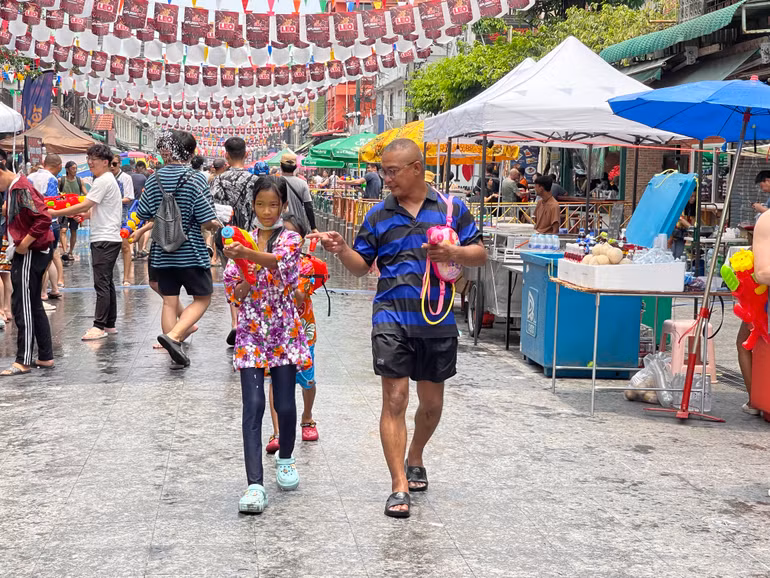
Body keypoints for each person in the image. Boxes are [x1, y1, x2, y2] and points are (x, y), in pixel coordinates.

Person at [309, 139, 487, 518]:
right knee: (394, 400)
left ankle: (416, 454)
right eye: (383, 171)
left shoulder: (452, 209)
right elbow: (361, 265)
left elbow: (480, 252)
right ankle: (398, 486)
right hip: (390, 316)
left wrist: (454, 253)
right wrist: (342, 249)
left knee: (432, 404)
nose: (384, 178)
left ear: (417, 168)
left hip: (437, 319)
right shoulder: (377, 215)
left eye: (392, 171)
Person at [222, 175, 311, 513]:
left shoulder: (290, 238)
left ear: (283, 206)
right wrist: (243, 271)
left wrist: (248, 254)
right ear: (253, 205)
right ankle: (255, 485)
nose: (267, 210)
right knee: (254, 405)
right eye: (261, 204)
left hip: (283, 330)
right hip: (251, 330)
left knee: (286, 406)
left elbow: (283, 266)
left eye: (274, 205)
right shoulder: (242, 239)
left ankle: (285, 457)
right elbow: (236, 291)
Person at [136, 130, 220, 367]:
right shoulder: (195, 179)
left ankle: (174, 345)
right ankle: (174, 337)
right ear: (191, 153)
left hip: (162, 251)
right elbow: (206, 219)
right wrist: (218, 223)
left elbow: (143, 213)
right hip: (191, 251)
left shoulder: (154, 179)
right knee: (203, 298)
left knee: (169, 301)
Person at [50, 145, 123, 341]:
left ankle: (98, 326)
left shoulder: (103, 181)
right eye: (89, 158)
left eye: (94, 159)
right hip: (108, 236)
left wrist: (56, 212)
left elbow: (86, 203)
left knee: (101, 284)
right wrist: (84, 214)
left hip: (104, 239)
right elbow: (97, 209)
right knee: (107, 283)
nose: (90, 162)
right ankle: (109, 324)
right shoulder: (107, 180)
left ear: (105, 162)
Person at [265, 213, 322, 454]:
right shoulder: (267, 260)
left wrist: (289, 275)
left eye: (292, 235)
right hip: (275, 328)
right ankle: (277, 431)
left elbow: (300, 296)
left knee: (307, 378)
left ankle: (307, 417)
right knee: (275, 379)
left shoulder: (307, 264)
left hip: (302, 328)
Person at [0, 156, 55, 375]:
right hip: (33, 250)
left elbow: (43, 218)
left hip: (31, 251)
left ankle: (23, 360)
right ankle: (45, 356)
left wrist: (24, 243)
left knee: (22, 305)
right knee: (32, 304)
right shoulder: (16, 187)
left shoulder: (19, 187)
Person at [210, 137, 261, 345]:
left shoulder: (219, 180)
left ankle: (235, 322)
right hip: (251, 237)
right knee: (251, 276)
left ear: (226, 156)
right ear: (246, 154)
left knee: (231, 277)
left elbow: (213, 209)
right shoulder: (255, 181)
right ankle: (250, 320)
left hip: (227, 237)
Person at [26, 154, 63, 304]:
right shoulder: (52, 179)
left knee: (42, 258)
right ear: (59, 166)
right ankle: (44, 293)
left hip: (32, 222)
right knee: (48, 258)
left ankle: (49, 290)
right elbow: (52, 202)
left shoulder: (29, 177)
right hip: (49, 222)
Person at [109, 155, 136, 286]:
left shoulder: (126, 178)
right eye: (110, 164)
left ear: (119, 164)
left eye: (114, 164)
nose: (112, 167)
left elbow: (129, 197)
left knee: (125, 246)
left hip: (122, 216)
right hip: (107, 217)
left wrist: (113, 201)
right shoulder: (103, 178)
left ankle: (126, 277)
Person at [280, 152, 317, 235]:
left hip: (280, 225)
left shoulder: (275, 182)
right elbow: (308, 206)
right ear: (296, 167)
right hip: (298, 227)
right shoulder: (303, 183)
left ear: (281, 166)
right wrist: (313, 227)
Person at [58, 160, 87, 261]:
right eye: (73, 168)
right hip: (63, 209)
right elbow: (57, 193)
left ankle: (70, 252)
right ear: (67, 169)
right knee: (63, 230)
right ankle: (65, 251)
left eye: (75, 168)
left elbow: (85, 193)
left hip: (76, 210)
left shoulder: (79, 181)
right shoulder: (61, 180)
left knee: (73, 231)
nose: (75, 170)